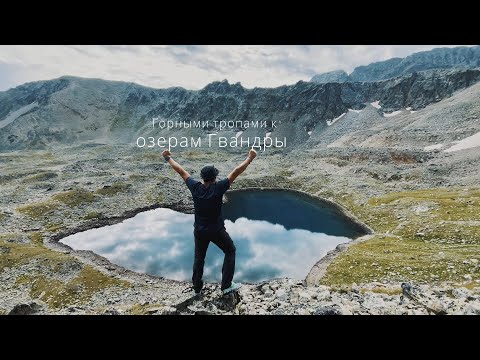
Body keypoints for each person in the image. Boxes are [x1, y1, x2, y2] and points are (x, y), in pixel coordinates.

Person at [162, 147, 257, 296]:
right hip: (216, 230)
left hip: (199, 231)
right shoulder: (218, 188)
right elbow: (236, 172)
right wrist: (250, 158)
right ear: (214, 178)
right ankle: (226, 285)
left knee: (199, 258)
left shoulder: (195, 187)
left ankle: (197, 288)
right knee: (230, 250)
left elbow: (181, 171)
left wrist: (168, 158)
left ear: (202, 178)